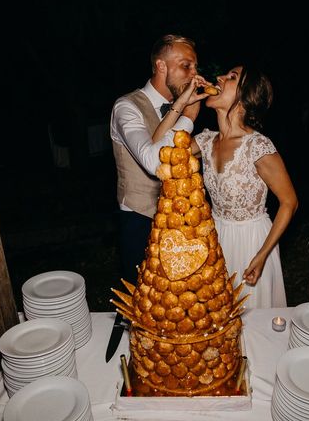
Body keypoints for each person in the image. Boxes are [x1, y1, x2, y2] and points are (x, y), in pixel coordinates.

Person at [153, 64, 298, 308]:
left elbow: (289, 202)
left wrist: (262, 256)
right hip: (215, 237)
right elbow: (158, 149)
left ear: (246, 95)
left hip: (252, 241)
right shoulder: (206, 140)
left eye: (232, 77)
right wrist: (184, 104)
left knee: (250, 318)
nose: (219, 77)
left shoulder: (257, 146)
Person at [110, 34, 210, 284]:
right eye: (186, 66)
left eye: (195, 67)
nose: (194, 74)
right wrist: (188, 118)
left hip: (179, 220)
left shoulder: (182, 103)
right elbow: (155, 163)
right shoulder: (126, 107)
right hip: (139, 219)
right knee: (141, 301)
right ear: (160, 66)